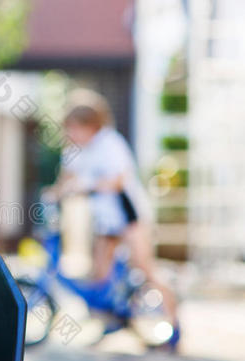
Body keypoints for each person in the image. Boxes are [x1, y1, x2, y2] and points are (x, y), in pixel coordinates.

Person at [46, 89, 179, 329]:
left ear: (92, 126)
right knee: (100, 273)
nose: (72, 134)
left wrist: (86, 186)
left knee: (145, 267)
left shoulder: (109, 143)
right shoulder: (74, 151)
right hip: (105, 220)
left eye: (77, 128)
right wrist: (52, 194)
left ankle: (173, 321)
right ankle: (112, 318)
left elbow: (118, 180)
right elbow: (66, 180)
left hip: (129, 216)